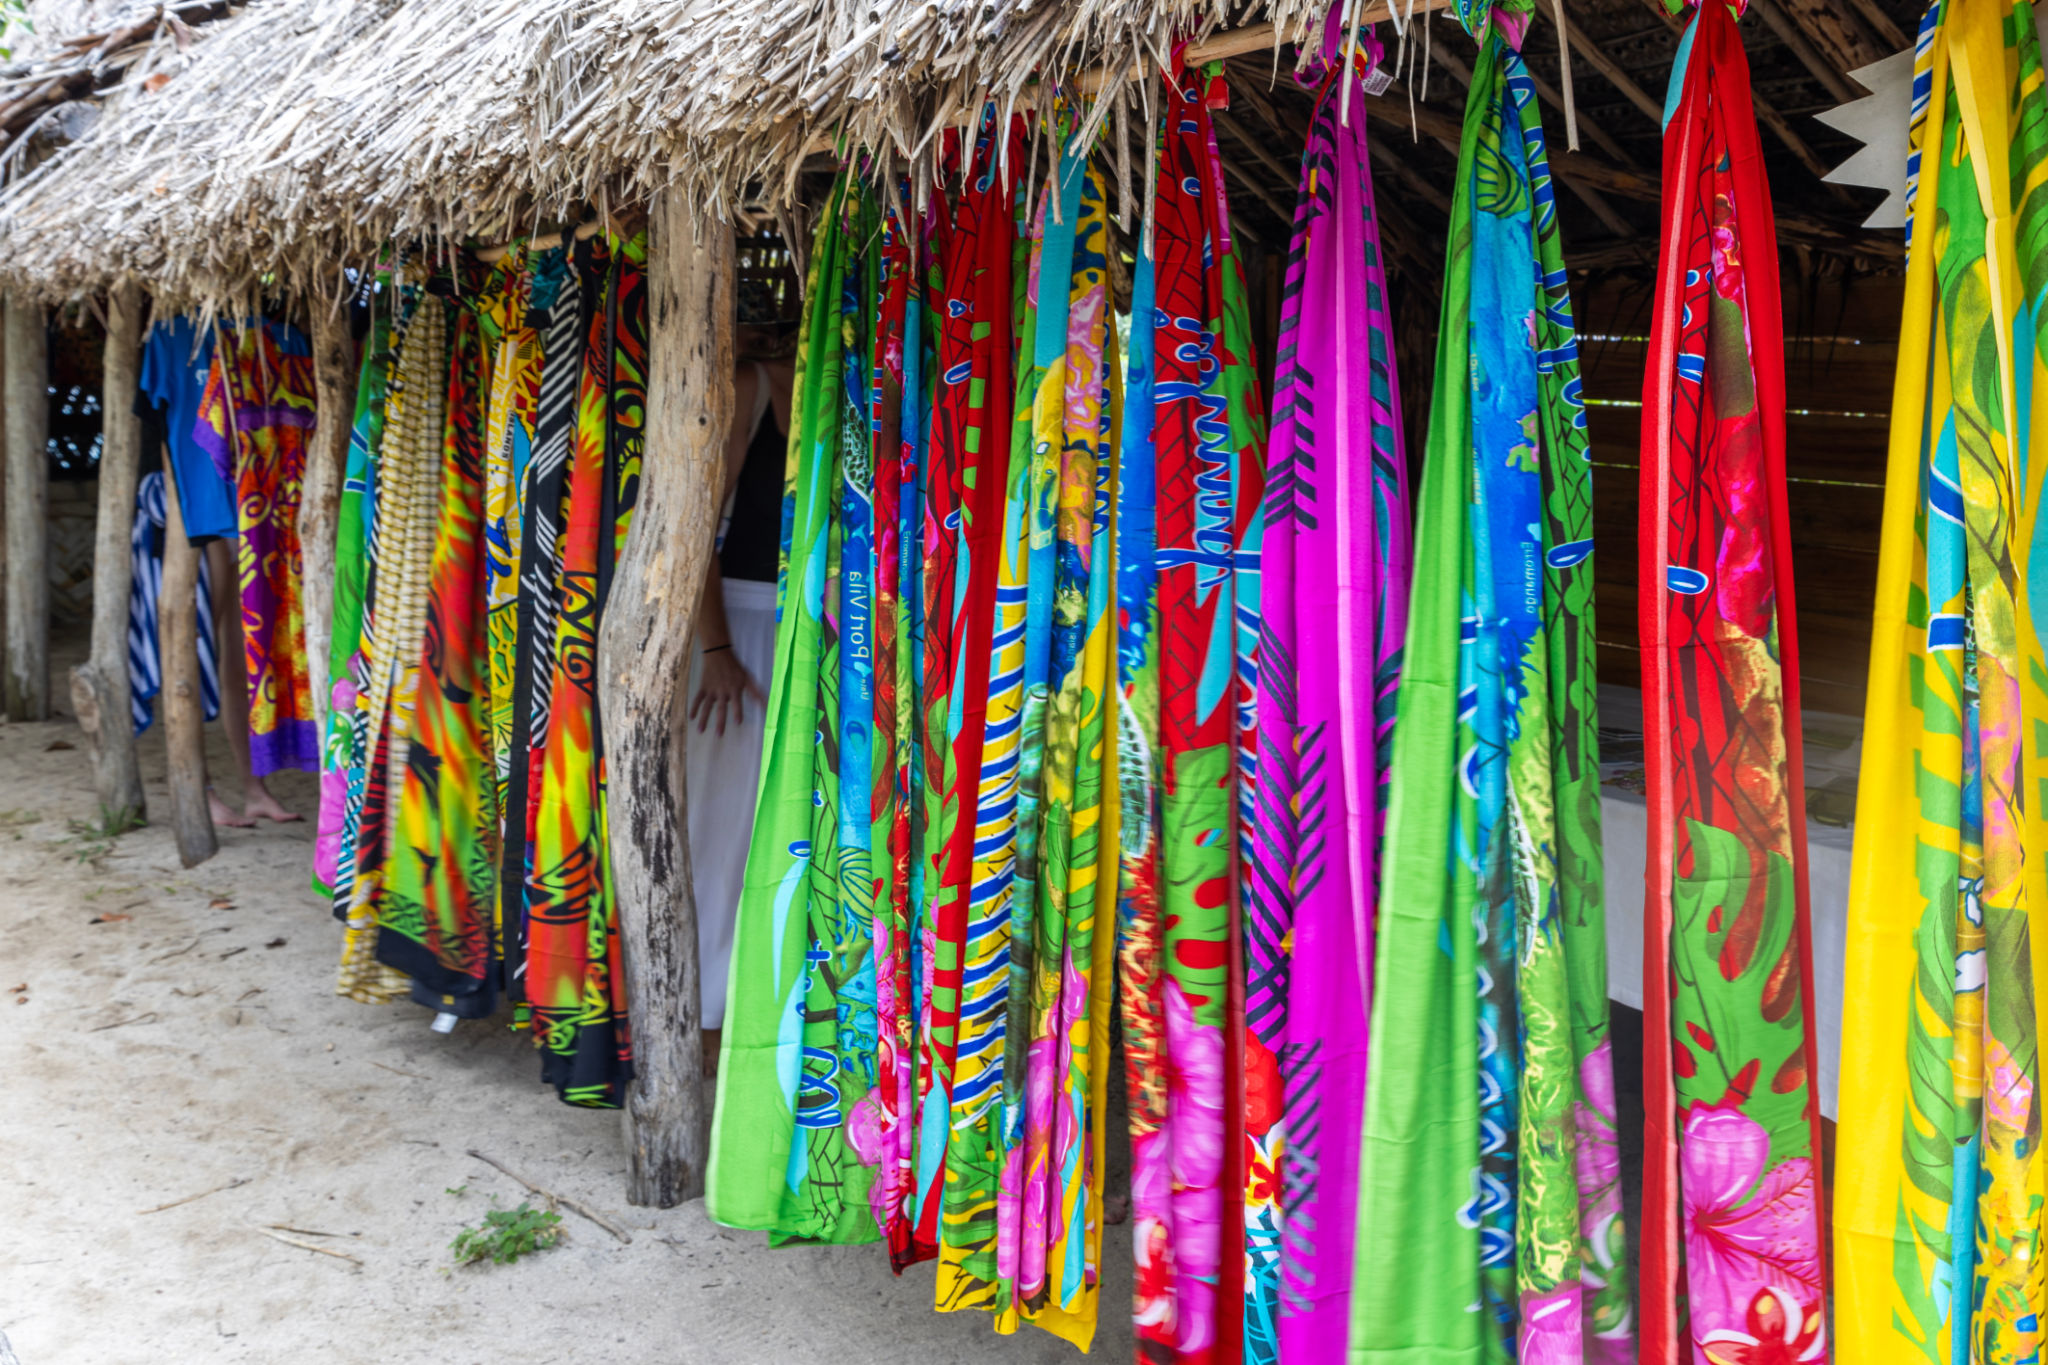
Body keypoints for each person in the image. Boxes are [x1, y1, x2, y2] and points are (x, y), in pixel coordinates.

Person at [688, 333, 793, 1073]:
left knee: (781, 833)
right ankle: (702, 1015)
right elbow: (693, 531)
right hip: (736, 628)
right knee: (719, 830)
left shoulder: (859, 393)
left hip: (815, 628)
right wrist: (717, 647)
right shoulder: (751, 387)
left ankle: (757, 1010)